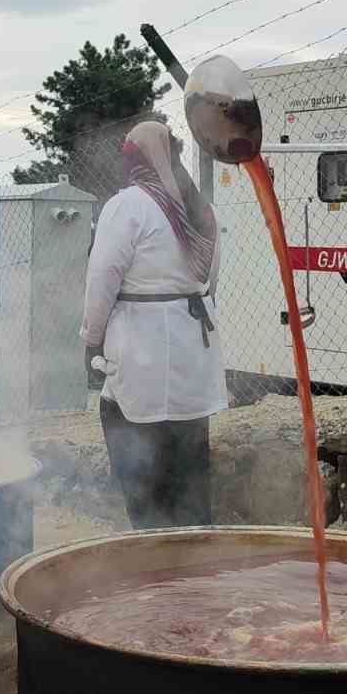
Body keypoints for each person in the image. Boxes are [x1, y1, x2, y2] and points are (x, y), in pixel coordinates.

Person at [81, 120, 227, 528]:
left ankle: (150, 554)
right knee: (190, 460)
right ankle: (196, 557)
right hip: (193, 341)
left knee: (140, 461)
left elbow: (103, 278)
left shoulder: (127, 205)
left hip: (139, 343)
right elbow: (211, 279)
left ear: (135, 161)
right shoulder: (201, 206)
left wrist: (92, 339)